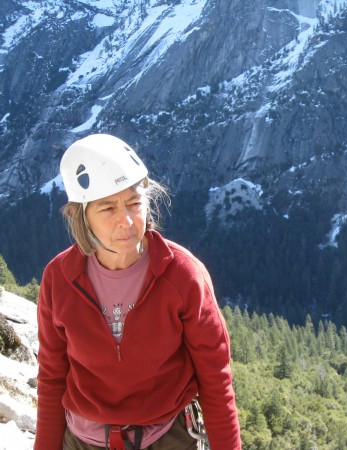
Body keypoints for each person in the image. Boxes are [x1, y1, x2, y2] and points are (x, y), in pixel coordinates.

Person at [35, 134, 241, 450]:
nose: (127, 221)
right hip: (82, 440)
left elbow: (215, 379)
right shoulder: (59, 280)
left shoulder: (182, 275)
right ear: (82, 217)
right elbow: (52, 378)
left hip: (166, 437)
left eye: (134, 203)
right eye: (107, 209)